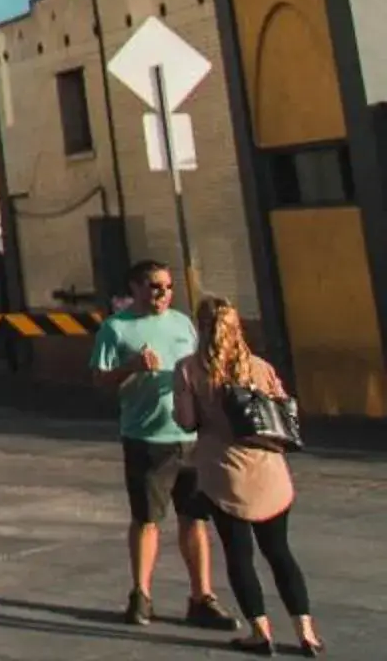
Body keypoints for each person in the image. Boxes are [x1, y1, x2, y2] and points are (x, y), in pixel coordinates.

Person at [173, 295, 320, 656]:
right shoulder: (261, 367)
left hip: (225, 475)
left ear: (201, 327)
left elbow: (187, 422)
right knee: (280, 553)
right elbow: (284, 411)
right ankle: (306, 633)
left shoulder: (189, 369)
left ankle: (261, 632)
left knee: (239, 556)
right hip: (269, 473)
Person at [91, 260, 230, 630]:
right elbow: (99, 381)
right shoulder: (115, 329)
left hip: (190, 437)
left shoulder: (182, 324)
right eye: (154, 287)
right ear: (135, 288)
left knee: (196, 519)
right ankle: (141, 595)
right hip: (147, 439)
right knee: (148, 519)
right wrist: (133, 366)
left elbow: (200, 367)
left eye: (167, 287)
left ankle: (202, 597)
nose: (162, 294)